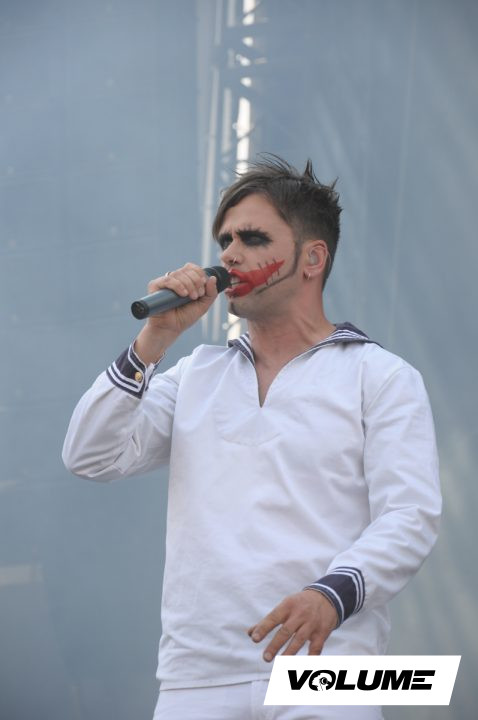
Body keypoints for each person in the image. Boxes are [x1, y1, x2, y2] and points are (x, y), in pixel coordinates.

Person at [62, 156, 441, 720]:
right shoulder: (196, 374)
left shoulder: (380, 376)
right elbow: (89, 456)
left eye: (253, 238)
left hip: (329, 668)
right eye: (225, 241)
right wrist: (154, 339)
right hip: (196, 676)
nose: (230, 255)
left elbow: (410, 515)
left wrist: (332, 594)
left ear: (313, 258)